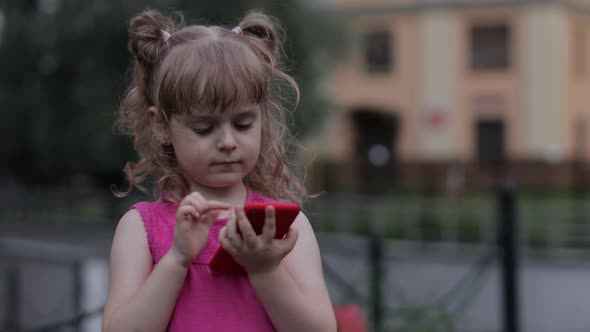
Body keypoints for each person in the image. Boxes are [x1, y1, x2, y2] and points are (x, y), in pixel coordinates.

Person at [102, 8, 336, 332]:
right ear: (161, 126)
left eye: (243, 124)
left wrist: (265, 270)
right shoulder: (140, 228)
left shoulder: (281, 226)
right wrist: (177, 258)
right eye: (203, 128)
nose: (227, 142)